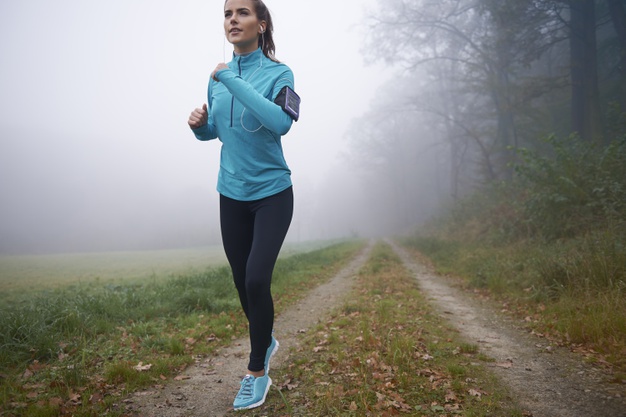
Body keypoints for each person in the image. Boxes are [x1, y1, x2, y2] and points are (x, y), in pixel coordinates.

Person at [187, 0, 299, 411]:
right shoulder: (216, 78)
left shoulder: (278, 73)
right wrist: (201, 127)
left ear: (261, 24)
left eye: (242, 13)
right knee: (241, 284)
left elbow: (281, 122)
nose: (232, 20)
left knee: (256, 280)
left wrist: (229, 80)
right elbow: (219, 132)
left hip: (272, 193)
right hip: (230, 194)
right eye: (227, 14)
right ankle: (264, 336)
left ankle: (256, 371)